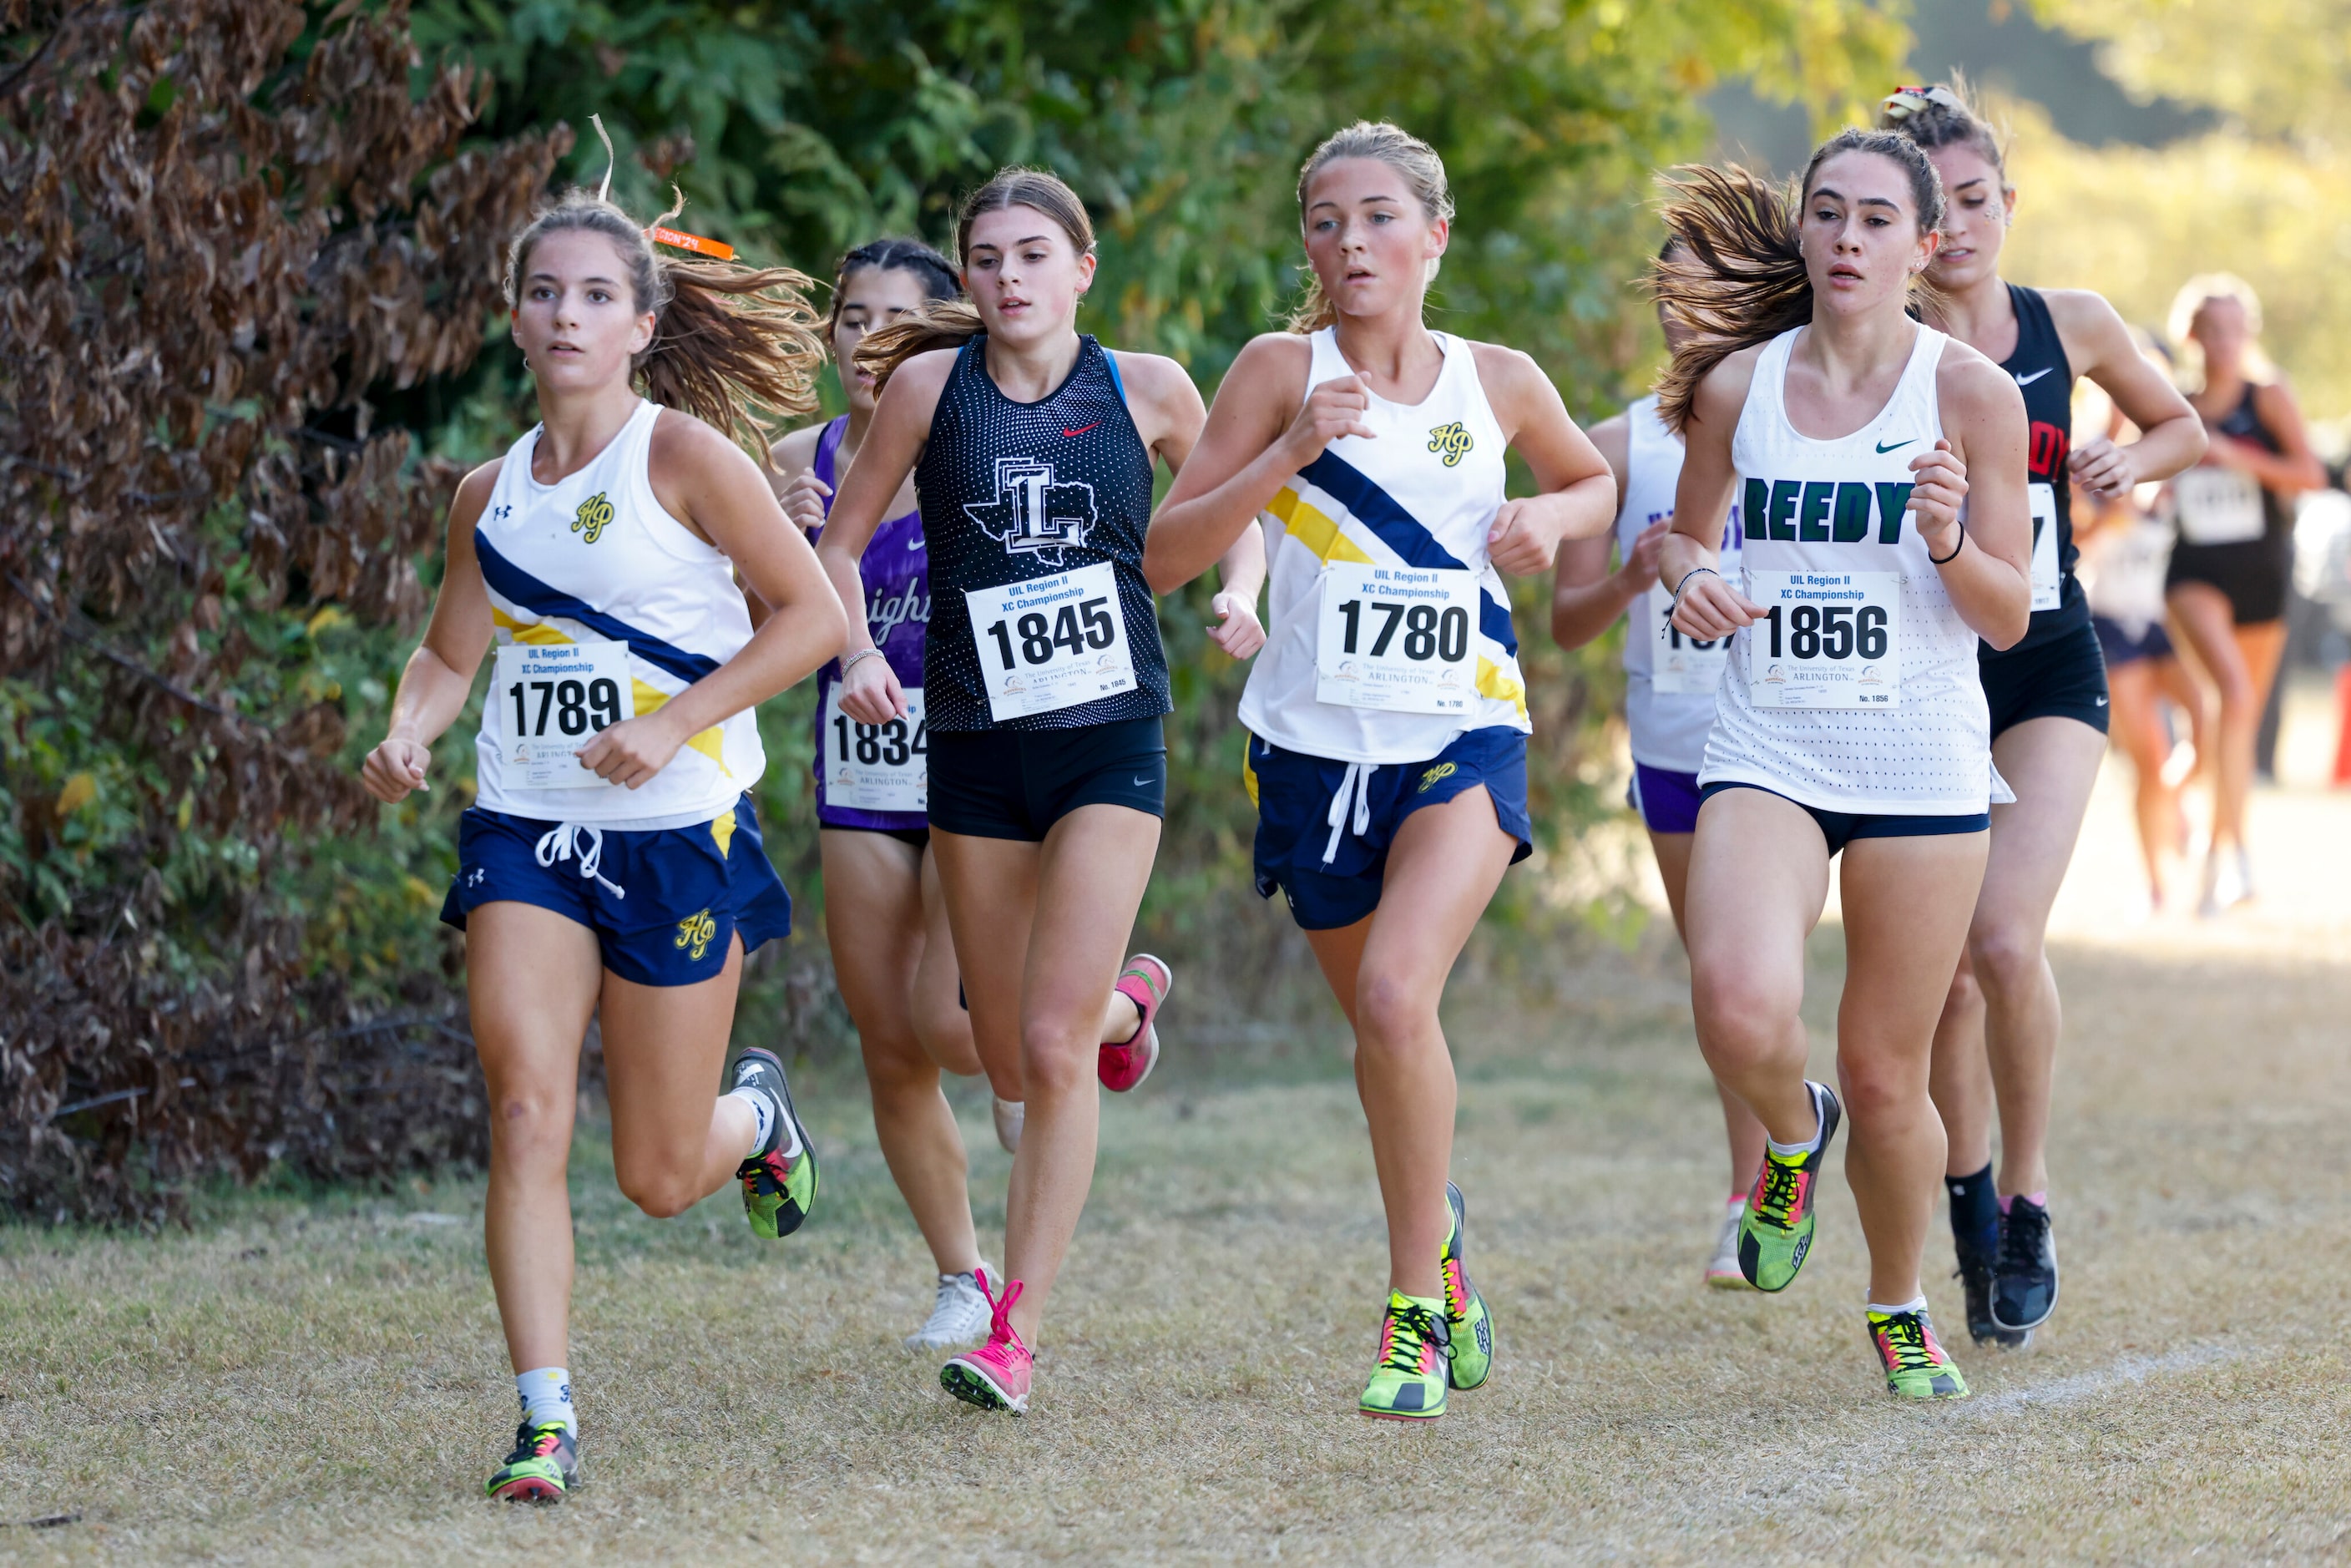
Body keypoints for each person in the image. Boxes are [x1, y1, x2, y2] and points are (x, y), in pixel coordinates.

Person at [359, 187, 845, 1500]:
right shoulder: (485, 495)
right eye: (542, 292)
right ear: (516, 317)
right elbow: (450, 653)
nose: (564, 314)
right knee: (524, 1109)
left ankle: (758, 1120)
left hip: (676, 831)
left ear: (640, 322)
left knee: (659, 1172)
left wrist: (678, 720)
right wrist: (411, 728)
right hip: (527, 824)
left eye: (592, 295)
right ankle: (544, 1415)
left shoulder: (685, 459)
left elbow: (810, 617)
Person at [1149, 121, 1615, 1420]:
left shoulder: (1498, 379)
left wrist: (1545, 518)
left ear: (1434, 234)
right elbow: (1165, 556)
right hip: (1309, 749)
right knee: (1382, 1029)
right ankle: (1443, 1236)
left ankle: (1412, 1306)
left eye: (1375, 218)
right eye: (1324, 222)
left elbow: (1592, 486)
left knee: (1403, 998)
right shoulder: (1274, 369)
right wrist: (1287, 452)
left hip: (1464, 727)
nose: (1349, 243)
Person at [817, 167, 1259, 1416]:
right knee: (1007, 1042)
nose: (1008, 277)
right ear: (967, 280)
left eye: (1031, 254)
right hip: (970, 746)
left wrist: (1242, 587)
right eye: (987, 259)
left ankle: (1016, 1327)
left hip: (1108, 741)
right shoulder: (925, 390)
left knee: (1047, 1047)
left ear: (1081, 269)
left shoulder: (1146, 387)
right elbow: (840, 546)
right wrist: (853, 651)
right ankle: (1131, 1003)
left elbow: (1228, 503)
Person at [1655, 129, 2035, 1400]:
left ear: (1925, 245)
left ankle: (1900, 1299)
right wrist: (1700, 574)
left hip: (1921, 759)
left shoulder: (1972, 391)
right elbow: (1681, 541)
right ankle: (1784, 1129)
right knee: (1737, 1005)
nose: (1849, 239)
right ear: (1806, 231)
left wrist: (1943, 540)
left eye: (1879, 219)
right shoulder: (1736, 387)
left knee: (1888, 1072)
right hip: (1771, 735)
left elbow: (2006, 615)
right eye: (1829, 214)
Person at [1879, 82, 2207, 1350]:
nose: (1955, 226)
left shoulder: (2066, 322)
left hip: (2047, 659)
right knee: (1945, 977)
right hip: (1919, 668)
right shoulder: (1879, 339)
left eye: (1976, 200)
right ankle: (1963, 1189)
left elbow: (2178, 423)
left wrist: (2132, 460)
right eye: (1933, 206)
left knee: (2005, 941)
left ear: (2008, 204)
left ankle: (2027, 1197)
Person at [768, 237, 1002, 1352]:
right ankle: (964, 1275)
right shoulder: (784, 461)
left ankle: (1104, 1005)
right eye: (851, 318)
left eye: (894, 318)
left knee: (958, 1030)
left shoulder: (980, 445)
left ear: (944, 330)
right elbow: (736, 629)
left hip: (979, 761)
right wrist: (766, 542)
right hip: (860, 774)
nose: (868, 341)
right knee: (890, 1042)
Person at [1549, 240, 1768, 1290]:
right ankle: (1748, 1191)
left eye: (1713, 285)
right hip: (1679, 745)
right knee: (1719, 977)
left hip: (1806, 733)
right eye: (1670, 286)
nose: (1689, 306)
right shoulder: (1614, 447)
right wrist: (1638, 575)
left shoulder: (1796, 415)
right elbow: (1565, 623)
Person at [2160, 273, 2327, 914]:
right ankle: (2220, 861)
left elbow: (2310, 473)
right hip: (2194, 572)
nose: (2223, 341)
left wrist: (2235, 456)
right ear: (2191, 335)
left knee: (2237, 717)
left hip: (2261, 571)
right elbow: (2137, 468)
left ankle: (2227, 850)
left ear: (2248, 334)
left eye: (2234, 328)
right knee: (2228, 692)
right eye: (2211, 329)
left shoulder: (2268, 397)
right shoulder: (2173, 401)